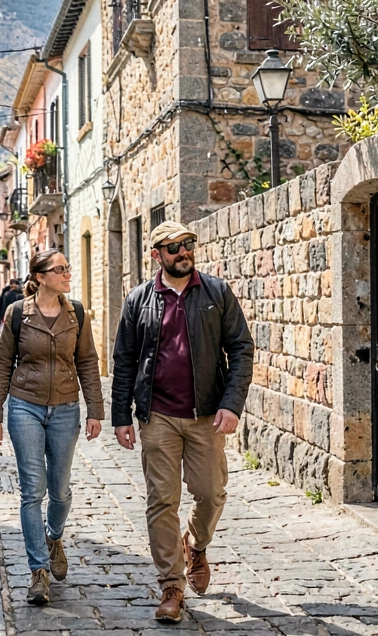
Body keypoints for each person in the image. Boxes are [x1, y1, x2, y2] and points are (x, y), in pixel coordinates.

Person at [111, 220, 254, 623]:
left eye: (188, 243)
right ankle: (171, 586)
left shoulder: (216, 292)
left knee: (210, 493)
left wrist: (232, 404)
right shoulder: (139, 299)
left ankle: (196, 544)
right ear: (157, 255)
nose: (183, 252)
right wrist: (121, 415)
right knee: (162, 501)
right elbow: (124, 360)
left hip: (206, 415)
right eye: (173, 247)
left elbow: (241, 349)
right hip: (157, 416)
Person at [0, 249, 103, 605]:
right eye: (60, 269)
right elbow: (2, 363)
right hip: (25, 405)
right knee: (31, 490)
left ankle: (54, 536)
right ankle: (38, 571)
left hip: (66, 408)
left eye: (68, 267)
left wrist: (95, 410)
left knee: (61, 491)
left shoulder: (76, 312)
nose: (68, 274)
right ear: (40, 277)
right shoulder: (17, 313)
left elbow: (87, 361)